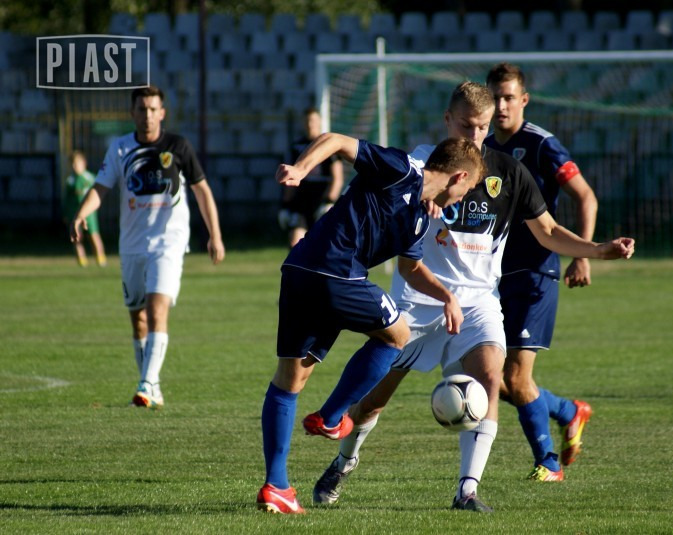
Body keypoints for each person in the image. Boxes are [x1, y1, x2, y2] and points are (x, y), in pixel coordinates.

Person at [310, 82, 634, 512]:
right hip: (418, 300)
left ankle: (467, 491)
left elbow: (549, 232)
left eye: (483, 127)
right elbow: (386, 205)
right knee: (374, 400)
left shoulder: (510, 173)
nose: (476, 135)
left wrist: (598, 250)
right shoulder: (422, 165)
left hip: (479, 301)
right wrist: (416, 204)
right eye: (466, 126)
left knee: (489, 377)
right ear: (448, 120)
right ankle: (343, 462)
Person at [257, 133, 487, 515]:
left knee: (290, 379)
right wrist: (301, 168)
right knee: (398, 335)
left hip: (300, 270)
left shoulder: (419, 218)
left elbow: (410, 269)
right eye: (469, 189)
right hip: (336, 271)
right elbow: (335, 140)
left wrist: (447, 297)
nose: (463, 199)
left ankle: (277, 486)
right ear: (459, 177)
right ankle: (332, 418)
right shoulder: (401, 170)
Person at [69, 85, 225, 409]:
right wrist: (81, 214)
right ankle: (151, 387)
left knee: (157, 309)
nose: (148, 115)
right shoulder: (120, 148)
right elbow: (100, 188)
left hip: (169, 242)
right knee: (138, 319)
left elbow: (202, 191)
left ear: (162, 113)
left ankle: (147, 383)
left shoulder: (178, 147)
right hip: (132, 245)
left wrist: (215, 235)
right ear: (132, 113)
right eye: (142, 109)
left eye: (153, 109)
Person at [485, 62, 599, 481]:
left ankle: (548, 464)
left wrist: (582, 254)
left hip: (536, 272)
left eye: (508, 98)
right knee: (484, 375)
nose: (501, 106)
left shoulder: (541, 145)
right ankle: (568, 411)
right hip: (493, 276)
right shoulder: (482, 146)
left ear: (524, 100)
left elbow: (585, 196)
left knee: (516, 376)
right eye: (495, 97)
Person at [278, 107, 344, 248]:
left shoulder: (328, 144)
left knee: (323, 244)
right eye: (307, 120)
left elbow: (337, 177)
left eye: (313, 120)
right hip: (302, 199)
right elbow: (289, 177)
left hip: (321, 199)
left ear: (319, 122)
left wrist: (329, 201)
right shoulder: (297, 147)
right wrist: (286, 205)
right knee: (295, 242)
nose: (310, 124)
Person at [63, 150, 107, 267]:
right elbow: (67, 199)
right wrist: (66, 214)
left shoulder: (90, 178)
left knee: (94, 235)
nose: (74, 167)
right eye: (72, 164)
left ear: (83, 163)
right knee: (77, 237)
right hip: (74, 213)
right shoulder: (70, 181)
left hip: (89, 213)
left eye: (76, 163)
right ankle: (82, 261)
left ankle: (101, 258)